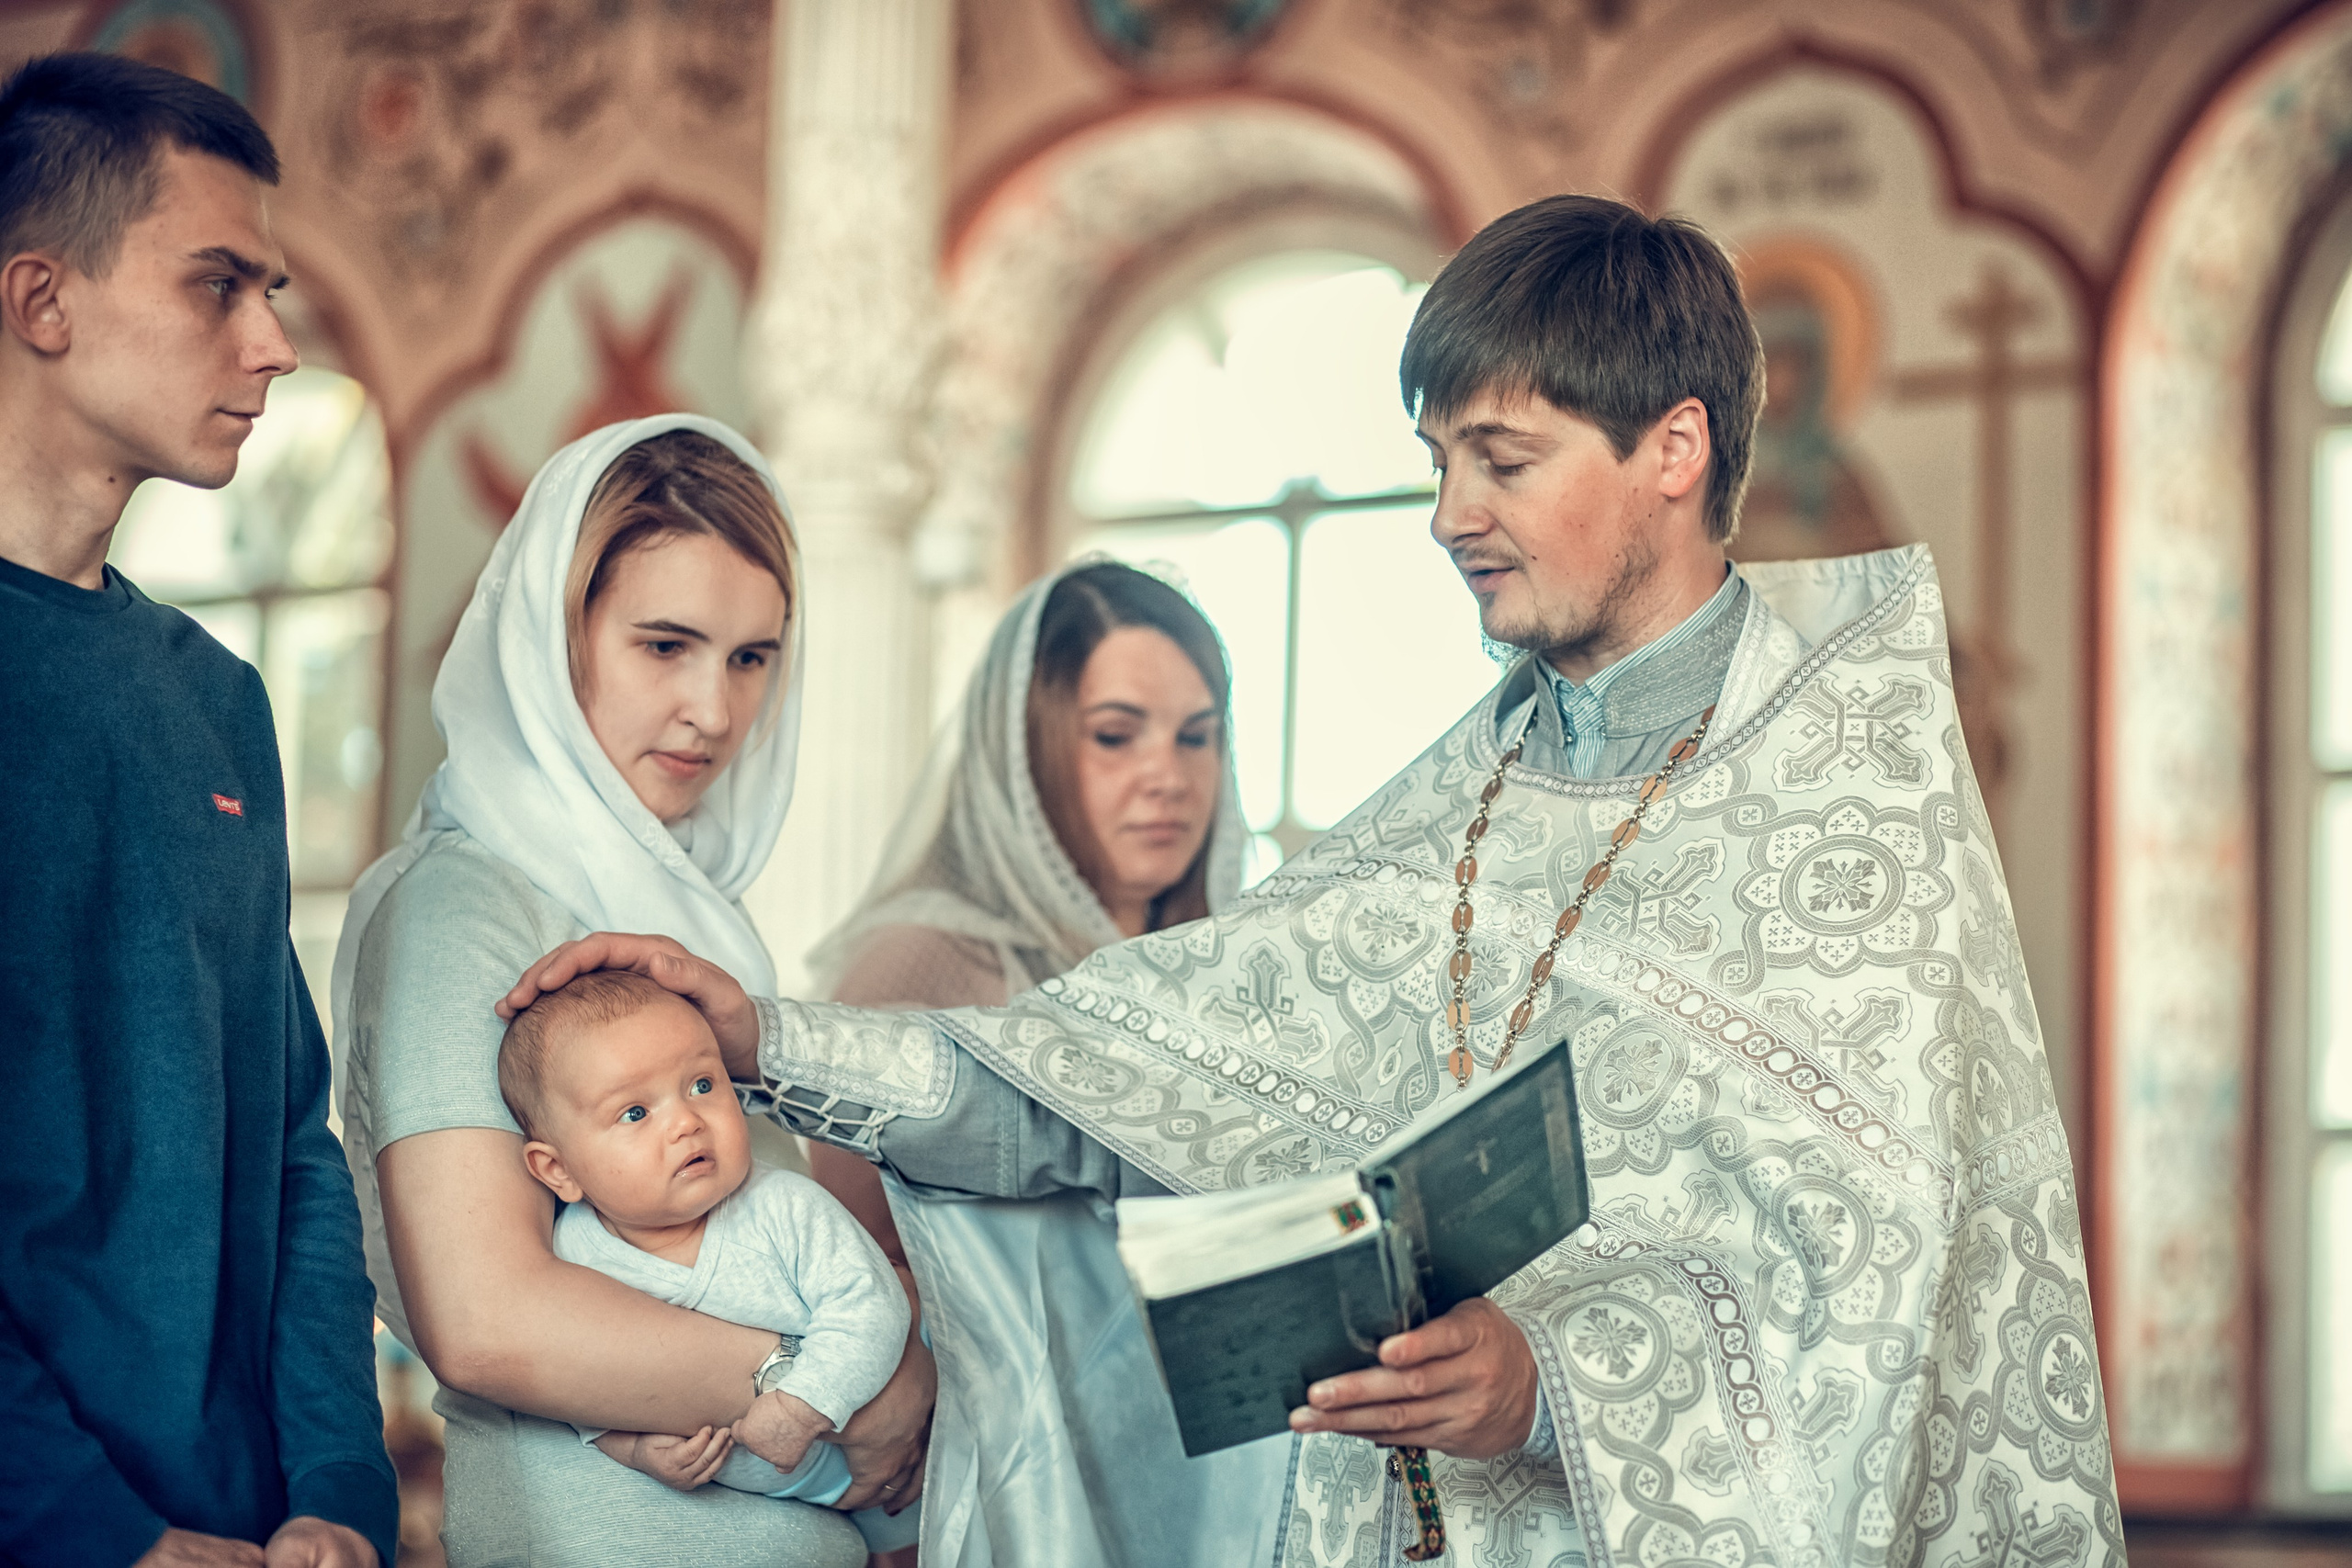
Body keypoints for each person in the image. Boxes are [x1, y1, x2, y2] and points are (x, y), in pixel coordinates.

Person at [511, 197, 2124, 1566]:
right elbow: (1100, 1075)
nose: (1447, 516)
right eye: (1435, 460)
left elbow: (1889, 1291)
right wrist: (772, 1036)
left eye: (1499, 459)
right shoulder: (1458, 807)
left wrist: (1551, 1383)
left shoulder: (1848, 810)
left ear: (1673, 450)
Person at [330, 417, 931, 1567]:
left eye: (753, 657)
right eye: (666, 646)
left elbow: (752, 1244)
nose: (715, 709)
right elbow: (487, 1319)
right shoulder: (470, 903)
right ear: (561, 641)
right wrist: (871, 1371)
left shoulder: (689, 906)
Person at [0, 52, 395, 1568]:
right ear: (44, 303)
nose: (276, 343)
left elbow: (293, 1140)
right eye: (218, 287)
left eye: (274, 290)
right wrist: (100, 1533)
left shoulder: (216, 696)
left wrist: (336, 1490)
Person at [801, 558, 1284, 1565]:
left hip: (1211, 1495)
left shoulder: (1231, 967)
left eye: (1198, 736)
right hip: (1000, 1509)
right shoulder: (920, 961)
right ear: (1026, 751)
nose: (1170, 776)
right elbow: (850, 1283)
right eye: (1115, 735)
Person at [497, 970, 918, 1555]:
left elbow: (874, 1307)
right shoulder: (574, 1259)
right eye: (636, 1114)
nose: (685, 1121)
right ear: (558, 1171)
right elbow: (579, 1379)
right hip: (780, 1516)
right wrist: (635, 1449)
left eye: (700, 1084)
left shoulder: (784, 1208)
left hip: (906, 1475)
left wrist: (803, 1406)